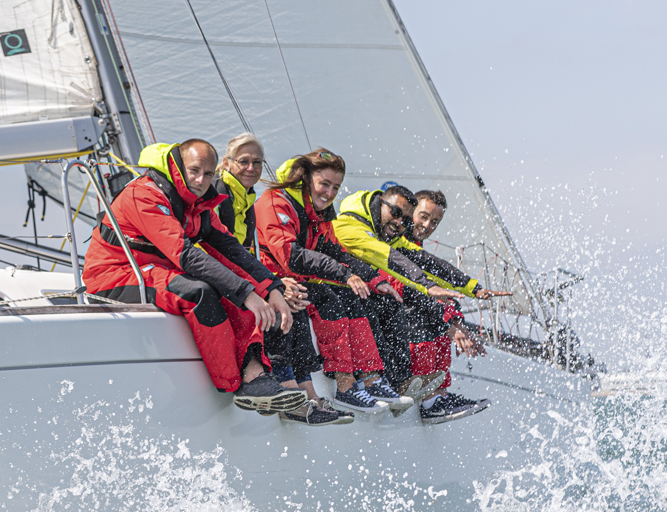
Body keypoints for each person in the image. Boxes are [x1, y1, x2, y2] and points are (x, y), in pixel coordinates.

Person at [82, 139, 305, 414]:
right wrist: (246, 293)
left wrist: (272, 289)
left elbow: (229, 248)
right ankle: (232, 383)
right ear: (178, 166)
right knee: (201, 293)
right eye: (194, 170)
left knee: (230, 288)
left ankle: (255, 380)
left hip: (156, 270)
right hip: (114, 274)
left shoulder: (197, 201)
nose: (201, 180)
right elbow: (185, 254)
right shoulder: (145, 194)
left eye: (208, 174)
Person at [256, 149, 414, 415]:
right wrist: (343, 275)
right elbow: (290, 255)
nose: (329, 193)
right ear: (307, 179)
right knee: (312, 302)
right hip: (273, 279)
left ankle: (360, 382)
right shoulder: (275, 201)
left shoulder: (321, 211)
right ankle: (309, 387)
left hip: (296, 281)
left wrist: (373, 279)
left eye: (335, 187)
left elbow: (335, 251)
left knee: (352, 297)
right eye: (324, 184)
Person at [334, 185, 507, 424]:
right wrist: (445, 318)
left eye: (435, 222)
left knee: (441, 317)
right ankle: (425, 396)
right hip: (370, 296)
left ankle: (436, 395)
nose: (427, 226)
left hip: (393, 297)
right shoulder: (381, 233)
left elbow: (431, 268)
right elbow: (397, 274)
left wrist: (471, 292)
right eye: (423, 217)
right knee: (427, 318)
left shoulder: (405, 239)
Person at [214, 134, 348, 425]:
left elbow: (242, 253)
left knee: (294, 301)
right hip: (220, 277)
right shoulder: (224, 193)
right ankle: (286, 388)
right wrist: (270, 285)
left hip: (247, 275)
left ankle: (307, 391)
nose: (251, 167)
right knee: (279, 305)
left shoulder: (245, 198)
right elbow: (218, 250)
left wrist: (273, 284)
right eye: (244, 161)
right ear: (226, 163)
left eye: (257, 162)